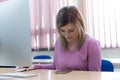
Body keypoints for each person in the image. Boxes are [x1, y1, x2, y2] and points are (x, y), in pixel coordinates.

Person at [19, 6, 101, 71]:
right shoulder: (59, 42)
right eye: (62, 30)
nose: (66, 35)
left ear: (80, 27)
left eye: (71, 31)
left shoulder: (92, 44)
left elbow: (94, 75)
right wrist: (35, 66)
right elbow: (56, 66)